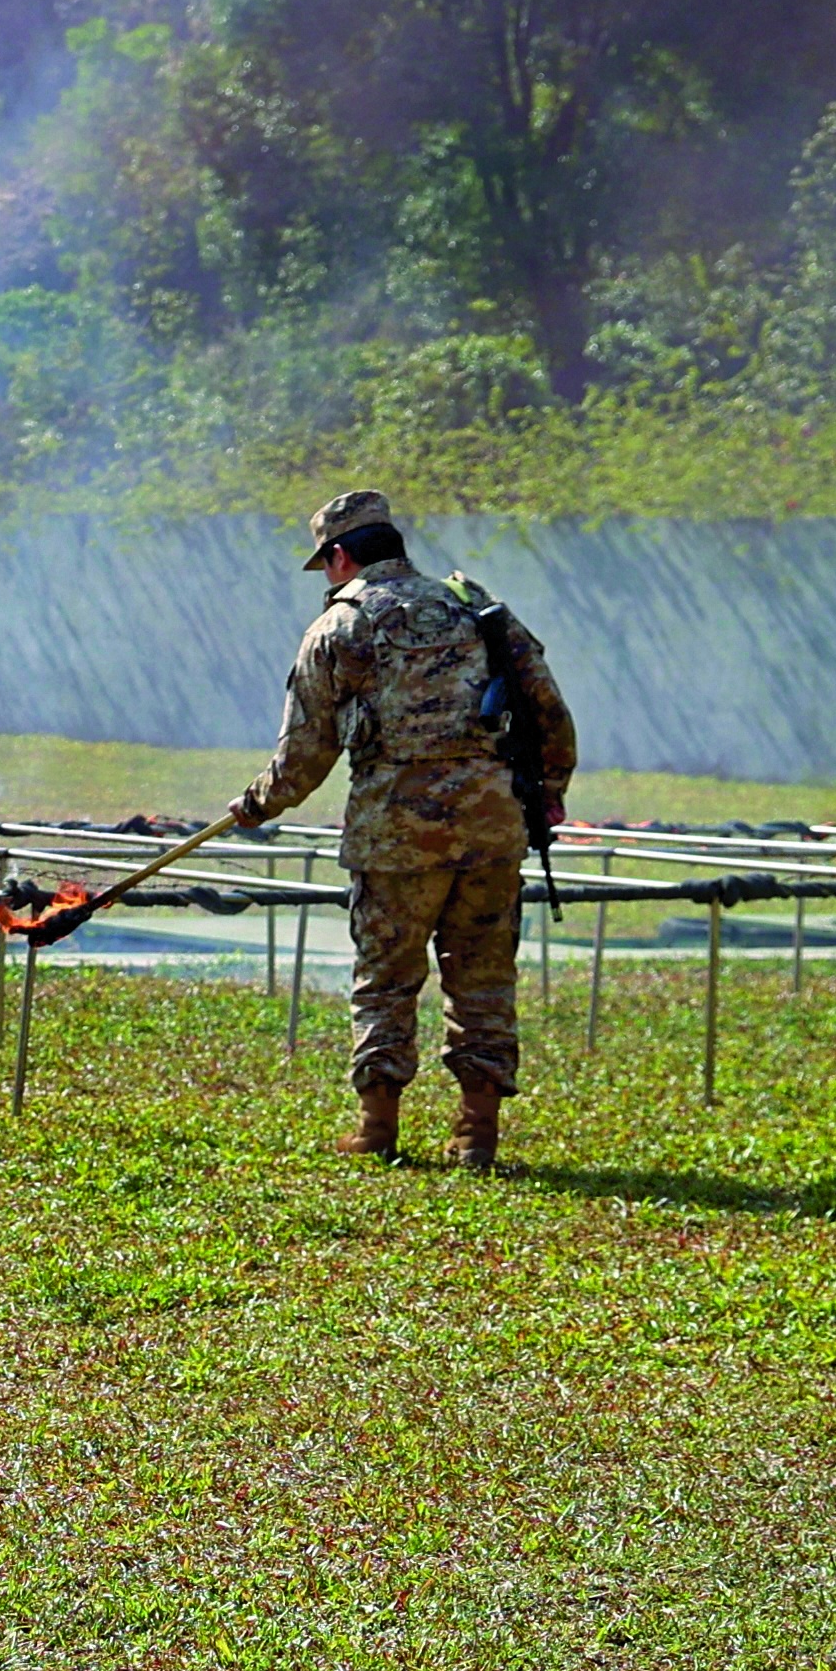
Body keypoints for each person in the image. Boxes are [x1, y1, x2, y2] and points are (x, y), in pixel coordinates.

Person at [225, 486, 576, 1170]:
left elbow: (305, 750)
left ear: (339, 554)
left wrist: (256, 805)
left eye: (324, 562)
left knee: (385, 979)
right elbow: (546, 707)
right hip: (489, 827)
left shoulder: (339, 626)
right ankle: (476, 1134)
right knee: (481, 978)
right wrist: (550, 790)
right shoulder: (471, 605)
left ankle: (376, 1127)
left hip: (395, 838)